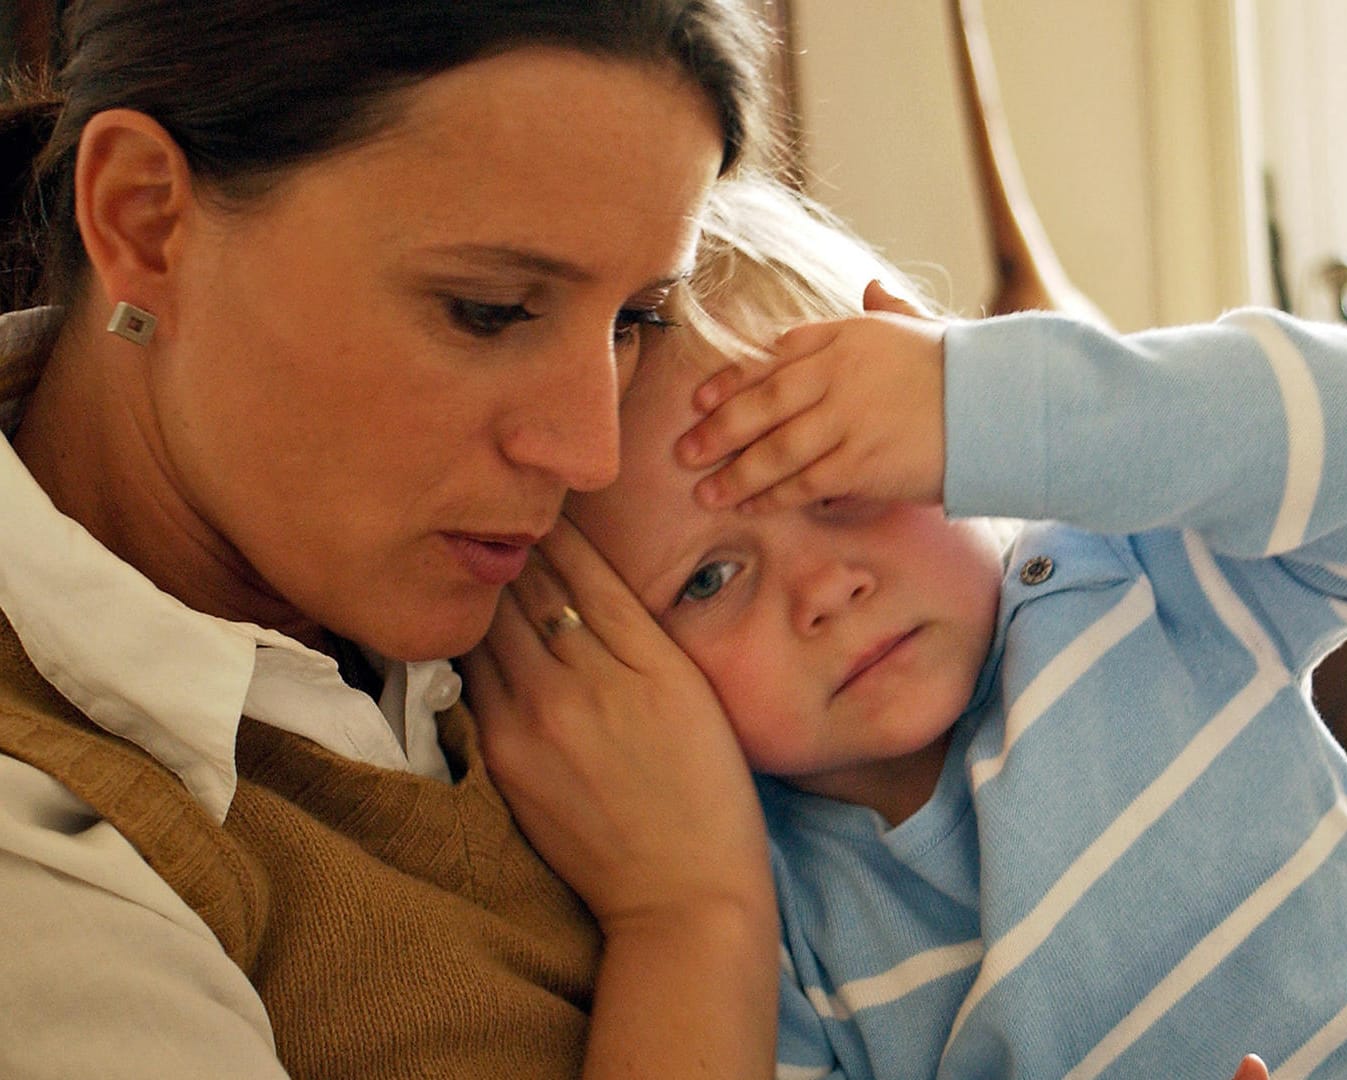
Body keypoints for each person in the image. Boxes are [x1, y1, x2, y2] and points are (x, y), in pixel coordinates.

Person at [546, 173, 1347, 1077]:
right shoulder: (769, 914)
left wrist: (999, 406)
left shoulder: (1127, 578)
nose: (824, 587)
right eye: (709, 579)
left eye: (842, 477)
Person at [0, 3, 787, 1077]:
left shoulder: (572, 566)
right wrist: (702, 918)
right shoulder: (47, 855)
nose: (586, 452)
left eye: (634, 320)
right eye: (490, 311)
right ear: (142, 218)